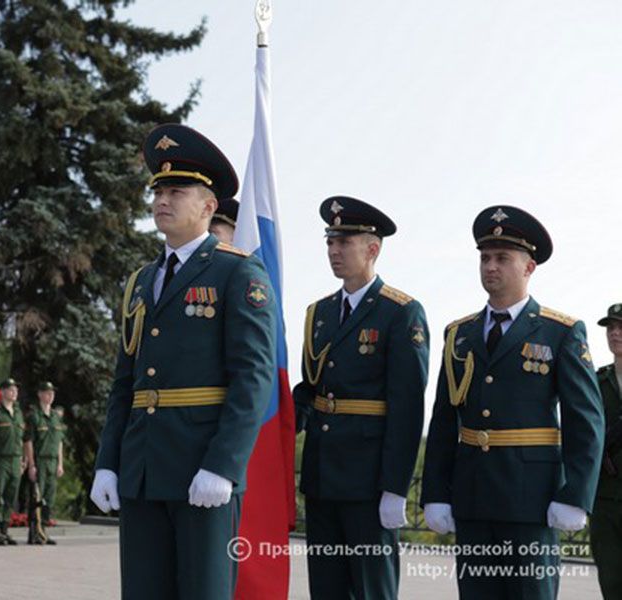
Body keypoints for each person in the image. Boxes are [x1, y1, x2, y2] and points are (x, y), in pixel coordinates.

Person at [89, 123, 277, 599]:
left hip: (202, 468)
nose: (162, 201)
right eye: (158, 190)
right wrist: (107, 462)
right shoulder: (141, 281)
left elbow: (252, 378)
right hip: (143, 467)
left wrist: (224, 464)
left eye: (177, 190)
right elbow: (125, 384)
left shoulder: (238, 272)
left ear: (209, 206)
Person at [421, 205, 604, 599]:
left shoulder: (561, 332)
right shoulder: (460, 334)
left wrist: (574, 495)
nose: (491, 266)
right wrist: (435, 491)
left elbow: (585, 422)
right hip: (472, 495)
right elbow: (442, 421)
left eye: (503, 258)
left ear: (529, 267)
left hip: (531, 499)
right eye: (485, 258)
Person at [293, 196, 429, 599]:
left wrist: (395, 487)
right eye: (330, 242)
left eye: (344, 242)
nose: (334, 251)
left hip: (369, 480)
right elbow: (311, 388)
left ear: (372, 248)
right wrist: (280, 425)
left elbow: (407, 409)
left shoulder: (401, 312)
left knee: (372, 589)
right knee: (327, 588)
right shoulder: (318, 313)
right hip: (322, 473)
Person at [591, 303, 622, 599]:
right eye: (610, 328)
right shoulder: (596, 381)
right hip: (606, 498)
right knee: (611, 580)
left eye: (621, 327)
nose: (615, 333)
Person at [0, 378, 26, 545]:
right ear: (2, 392)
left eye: (16, 390)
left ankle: (4, 530)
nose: (14, 392)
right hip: (1, 459)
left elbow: (22, 439)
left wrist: (24, 460)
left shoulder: (18, 413)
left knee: (11, 497)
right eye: (11, 389)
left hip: (16, 460)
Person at [24, 381, 65, 529]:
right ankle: (35, 531)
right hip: (40, 460)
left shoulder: (56, 417)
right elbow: (28, 441)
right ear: (40, 394)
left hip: (53, 461)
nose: (50, 396)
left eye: (52, 393)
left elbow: (59, 441)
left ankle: (45, 530)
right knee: (37, 497)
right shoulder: (34, 416)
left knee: (50, 497)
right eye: (47, 392)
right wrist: (31, 465)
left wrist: (60, 463)